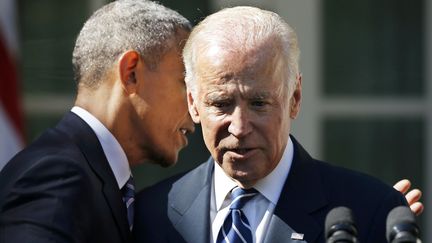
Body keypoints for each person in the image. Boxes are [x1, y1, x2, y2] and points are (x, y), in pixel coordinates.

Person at [133, 6, 420, 243]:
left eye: (258, 103)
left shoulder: (369, 210)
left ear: (294, 98)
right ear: (193, 103)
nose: (239, 127)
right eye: (221, 104)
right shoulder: (149, 214)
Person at [0, 0, 193, 242]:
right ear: (131, 73)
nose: (196, 106)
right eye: (185, 83)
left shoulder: (90, 174)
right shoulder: (58, 175)